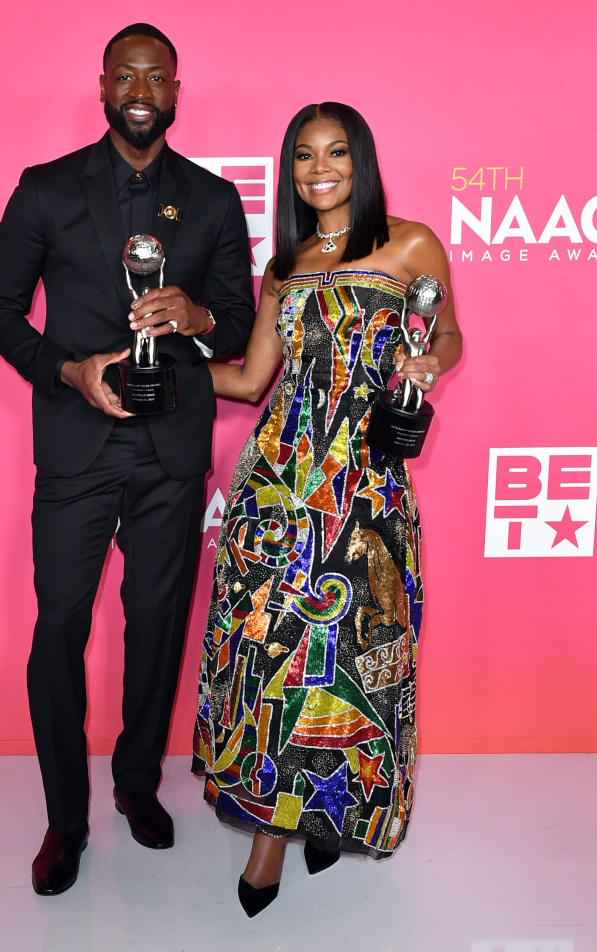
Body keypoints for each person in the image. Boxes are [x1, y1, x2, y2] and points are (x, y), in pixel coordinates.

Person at [0, 23, 255, 896]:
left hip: (171, 445)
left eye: (157, 75)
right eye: (126, 74)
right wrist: (71, 369)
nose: (141, 88)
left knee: (157, 624)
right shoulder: (46, 189)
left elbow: (243, 327)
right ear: (102, 87)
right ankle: (66, 820)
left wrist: (197, 318)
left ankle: (137, 783)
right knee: (59, 623)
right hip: (77, 441)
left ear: (176, 90)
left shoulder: (212, 201)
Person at [192, 103, 462, 916]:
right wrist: (164, 361)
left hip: (369, 486)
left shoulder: (411, 244)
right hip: (277, 484)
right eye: (305, 156)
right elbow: (248, 381)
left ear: (361, 159)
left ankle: (330, 807)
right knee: (272, 650)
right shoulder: (283, 266)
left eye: (336, 152)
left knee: (351, 649)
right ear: (290, 169)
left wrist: (429, 361)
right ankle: (272, 832)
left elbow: (449, 336)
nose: (320, 169)